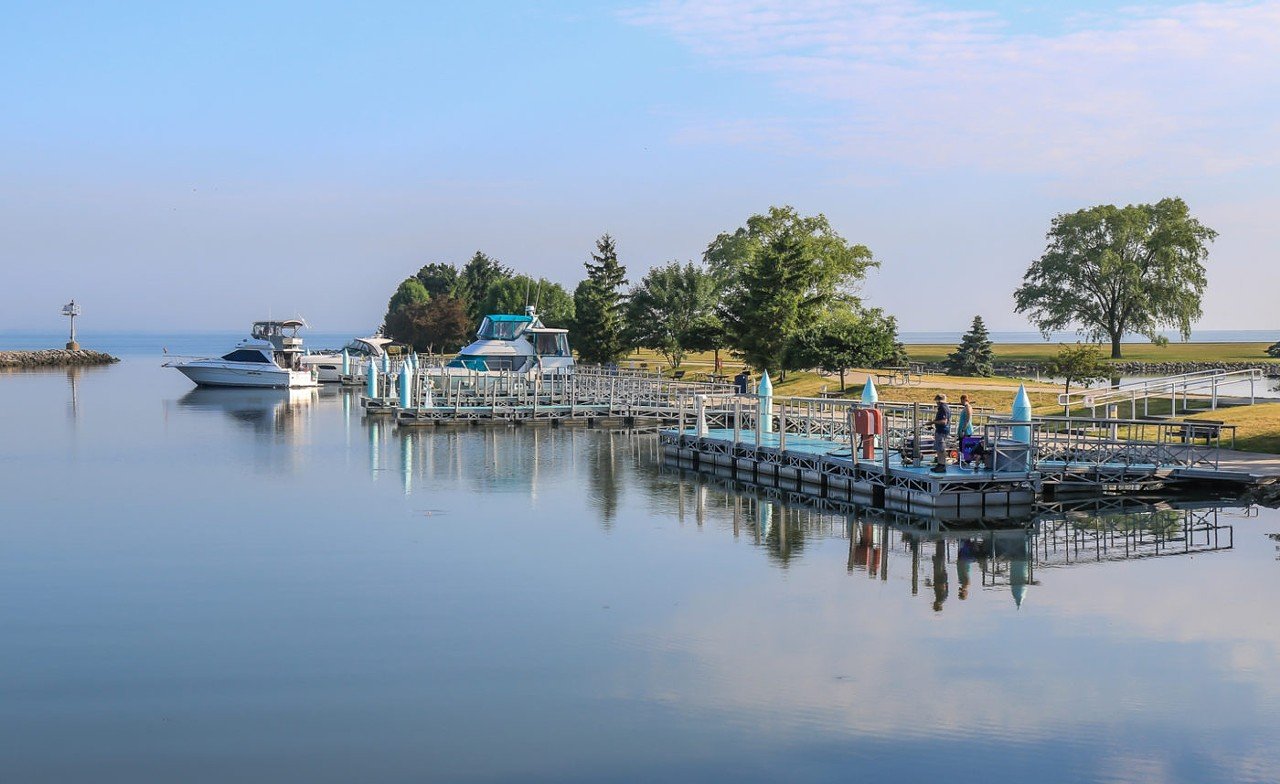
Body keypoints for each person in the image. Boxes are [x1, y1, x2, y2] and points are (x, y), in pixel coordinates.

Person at [931, 393, 950, 472]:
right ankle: (939, 464)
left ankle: (942, 465)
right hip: (939, 430)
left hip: (942, 431)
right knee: (938, 449)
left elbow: (944, 421)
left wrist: (932, 422)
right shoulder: (942, 408)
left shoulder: (943, 408)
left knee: (941, 449)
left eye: (937, 401)